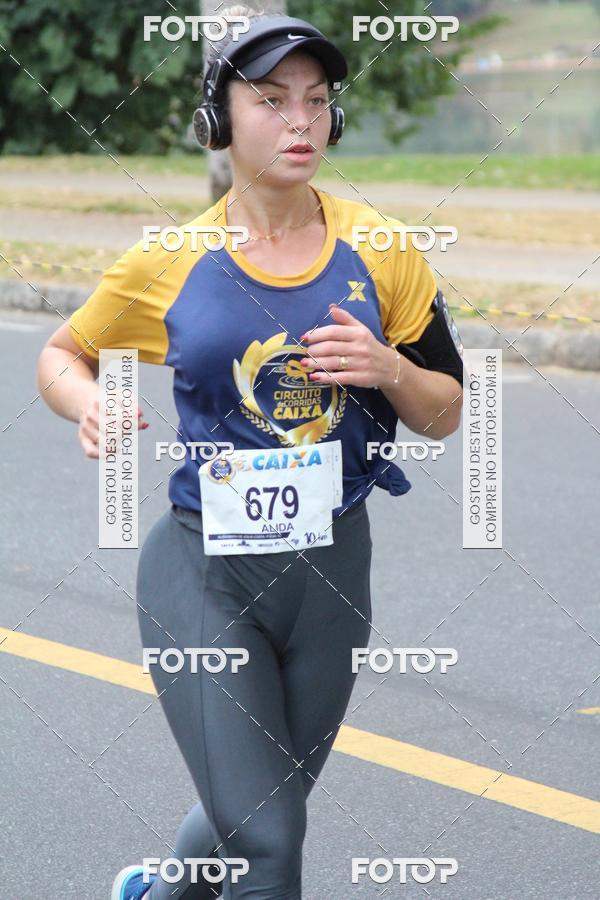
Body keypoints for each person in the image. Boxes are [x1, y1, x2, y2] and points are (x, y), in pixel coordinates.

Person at [37, 7, 464, 898]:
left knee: (265, 803)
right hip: (205, 573)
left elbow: (446, 412)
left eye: (316, 100)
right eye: (271, 100)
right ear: (216, 119)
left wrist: (388, 368)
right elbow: (63, 353)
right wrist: (89, 402)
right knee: (269, 839)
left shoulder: (381, 250)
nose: (300, 121)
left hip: (334, 578)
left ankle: (159, 893)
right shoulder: (170, 260)